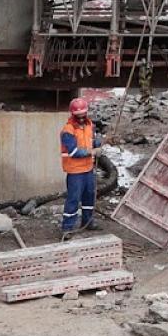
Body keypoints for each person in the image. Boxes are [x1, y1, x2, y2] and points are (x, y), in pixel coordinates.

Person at [59, 98, 104, 238]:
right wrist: (92, 152)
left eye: (83, 115)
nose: (81, 118)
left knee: (89, 196)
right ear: (73, 115)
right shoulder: (68, 130)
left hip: (88, 169)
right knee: (73, 199)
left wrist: (98, 142)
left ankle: (88, 221)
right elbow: (73, 152)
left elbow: (91, 141)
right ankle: (67, 228)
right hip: (75, 171)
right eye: (78, 116)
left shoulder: (90, 125)